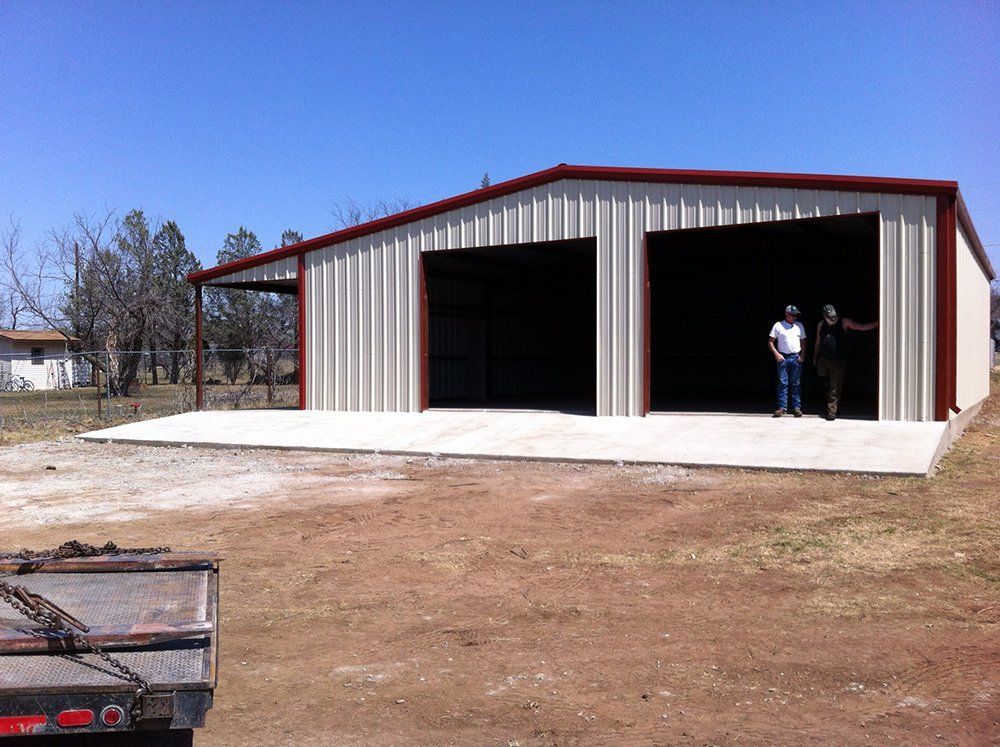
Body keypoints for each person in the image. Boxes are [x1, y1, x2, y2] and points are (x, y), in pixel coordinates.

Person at [812, 304, 878, 421]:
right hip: (823, 360)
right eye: (830, 317)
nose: (833, 319)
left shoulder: (844, 322)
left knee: (835, 386)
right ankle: (834, 406)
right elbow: (818, 341)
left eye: (834, 316)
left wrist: (877, 324)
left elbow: (861, 327)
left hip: (838, 361)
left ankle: (831, 411)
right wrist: (815, 356)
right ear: (825, 317)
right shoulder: (821, 325)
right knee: (825, 384)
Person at [768, 305, 806, 417]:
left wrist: (802, 355)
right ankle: (782, 407)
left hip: (795, 357)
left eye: (796, 315)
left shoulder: (799, 326)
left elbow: (803, 342)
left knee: (796, 383)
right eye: (792, 315)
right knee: (783, 383)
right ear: (786, 314)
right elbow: (770, 341)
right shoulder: (778, 325)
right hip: (783, 358)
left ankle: (796, 407)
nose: (794, 317)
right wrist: (776, 354)